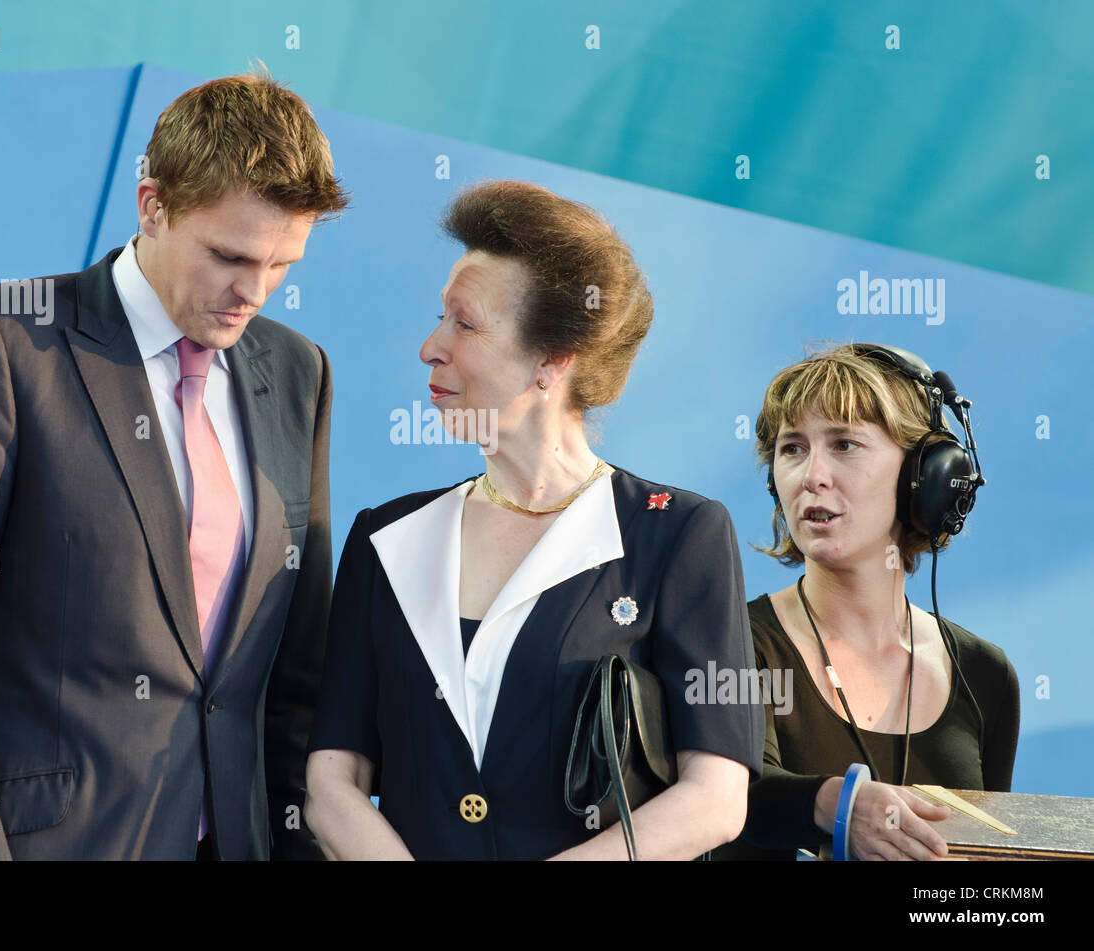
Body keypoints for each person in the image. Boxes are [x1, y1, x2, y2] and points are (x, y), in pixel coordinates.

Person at [0, 70, 349, 860]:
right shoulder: (0, 341)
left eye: (284, 265)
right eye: (229, 255)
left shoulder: (298, 371)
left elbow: (297, 674)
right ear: (152, 205)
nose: (253, 292)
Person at [303, 180, 763, 860]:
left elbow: (717, 795)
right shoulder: (387, 538)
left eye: (464, 323)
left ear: (554, 357)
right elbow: (330, 778)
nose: (430, 347)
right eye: (439, 318)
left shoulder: (678, 533)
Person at [721, 343, 1020, 861]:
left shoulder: (984, 673)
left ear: (922, 478)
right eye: (792, 448)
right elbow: (734, 791)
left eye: (844, 445)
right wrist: (835, 806)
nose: (812, 475)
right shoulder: (731, 643)